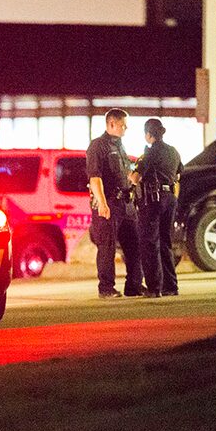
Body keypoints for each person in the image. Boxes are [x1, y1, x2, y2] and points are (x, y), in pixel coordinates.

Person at [86, 108, 144, 298]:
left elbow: (125, 172)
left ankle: (134, 286)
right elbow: (95, 177)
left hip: (126, 203)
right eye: (123, 125)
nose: (126, 129)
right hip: (109, 202)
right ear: (111, 123)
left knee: (134, 245)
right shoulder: (98, 146)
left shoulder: (120, 146)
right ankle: (106, 288)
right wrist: (102, 204)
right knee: (107, 246)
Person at [130, 118, 183, 297]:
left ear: (148, 134)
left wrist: (130, 172)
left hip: (153, 199)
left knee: (149, 243)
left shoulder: (150, 154)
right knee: (165, 243)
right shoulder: (173, 152)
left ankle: (154, 287)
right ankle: (171, 286)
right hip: (170, 199)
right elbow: (178, 175)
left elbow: (135, 178)